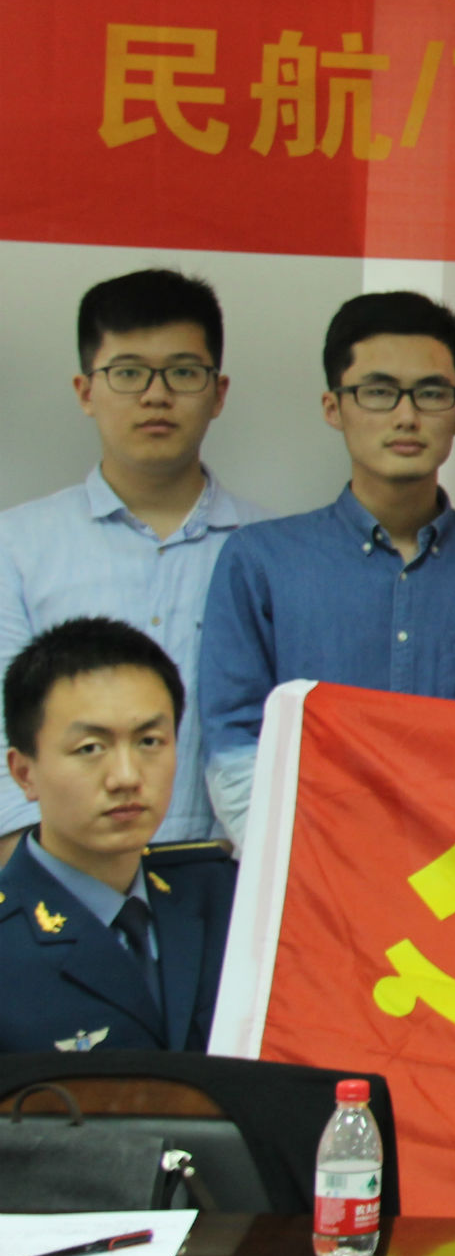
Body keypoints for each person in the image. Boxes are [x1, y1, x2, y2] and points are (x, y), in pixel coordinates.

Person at [198, 292, 455, 847]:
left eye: (430, 393)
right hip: (309, 870)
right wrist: (302, 865)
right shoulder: (260, 560)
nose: (406, 416)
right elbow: (234, 745)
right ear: (333, 407)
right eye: (379, 392)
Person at [0, 270, 269, 857]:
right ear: (84, 391)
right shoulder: (15, 546)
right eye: (127, 373)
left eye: (183, 372)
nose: (155, 395)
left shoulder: (271, 550)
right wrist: (37, 879)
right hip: (62, 877)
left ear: (218, 392)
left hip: (229, 873)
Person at [0, 618, 234, 1054]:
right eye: (90, 748)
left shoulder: (229, 898)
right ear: (24, 772)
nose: (126, 777)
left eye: (149, 742)